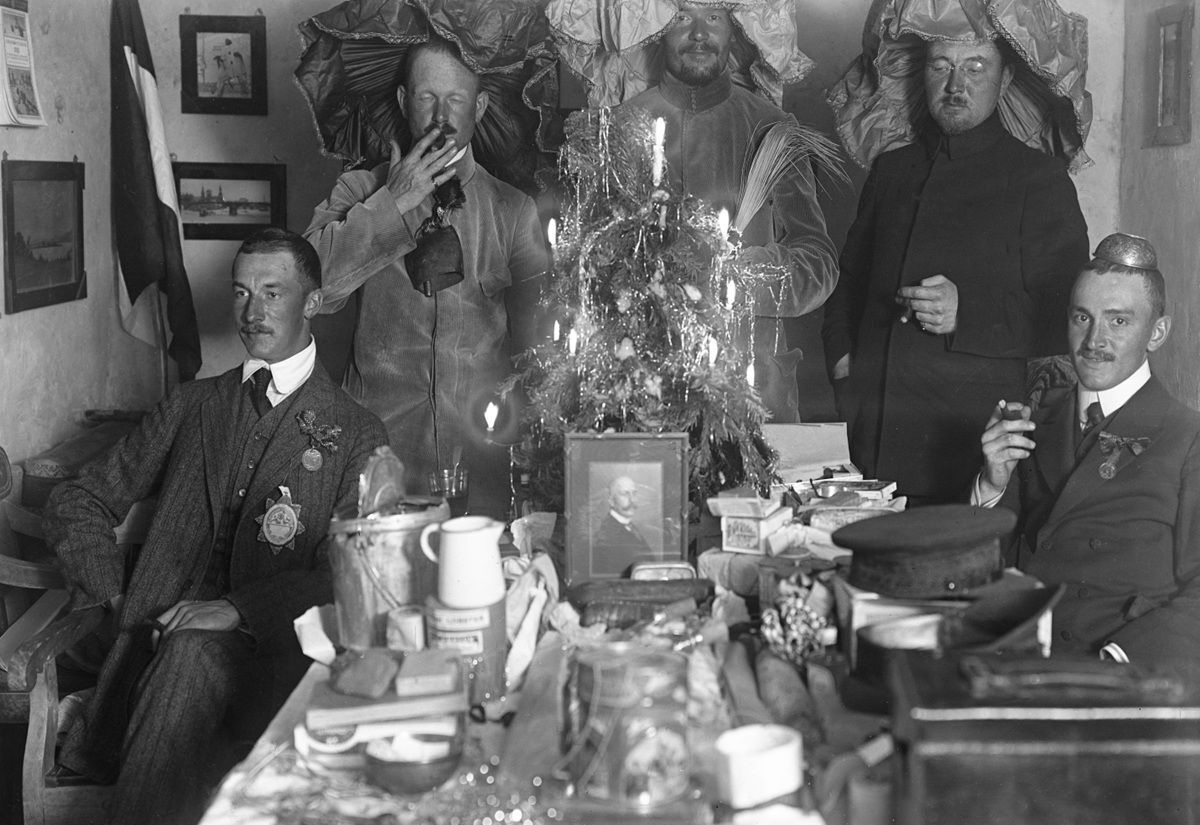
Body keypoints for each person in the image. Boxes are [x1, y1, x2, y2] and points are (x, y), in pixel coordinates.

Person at [43, 228, 388, 825]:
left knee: (192, 656)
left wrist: (235, 610)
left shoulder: (356, 431)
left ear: (312, 301)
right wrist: (118, 599)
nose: (252, 313)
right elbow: (79, 499)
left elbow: (350, 572)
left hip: (278, 660)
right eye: (241, 293)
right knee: (183, 656)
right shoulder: (192, 405)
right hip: (152, 657)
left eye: (272, 293)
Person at [822, 36, 1089, 504]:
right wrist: (844, 363)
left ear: (1004, 79)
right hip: (870, 429)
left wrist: (966, 313)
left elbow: (1068, 314)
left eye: (975, 67)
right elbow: (849, 279)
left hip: (967, 446)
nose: (955, 85)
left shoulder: (1039, 179)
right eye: (941, 67)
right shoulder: (892, 170)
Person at [305, 37, 547, 518]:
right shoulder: (358, 189)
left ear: (478, 106)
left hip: (481, 453)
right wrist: (392, 201)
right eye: (426, 97)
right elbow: (310, 292)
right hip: (377, 457)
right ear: (402, 102)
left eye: (455, 99)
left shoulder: (513, 209)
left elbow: (543, 338)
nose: (441, 114)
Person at [975, 233, 1200, 674]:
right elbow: (981, 565)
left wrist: (1120, 660)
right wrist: (990, 485)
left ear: (1157, 333)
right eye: (1083, 317)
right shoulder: (1033, 420)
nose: (1093, 339)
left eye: (1118, 322)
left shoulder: (1188, 437)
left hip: (1121, 672)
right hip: (1016, 657)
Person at [609, 3, 839, 422]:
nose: (699, 33)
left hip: (754, 396)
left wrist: (744, 278)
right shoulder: (619, 131)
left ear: (734, 30)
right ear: (660, 27)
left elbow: (819, 265)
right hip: (643, 393)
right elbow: (588, 270)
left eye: (713, 17)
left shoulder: (772, 129)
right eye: (682, 16)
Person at [594, 475, 655, 558]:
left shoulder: (634, 527)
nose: (632, 500)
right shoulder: (605, 535)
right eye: (624, 494)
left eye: (634, 493)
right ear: (611, 500)